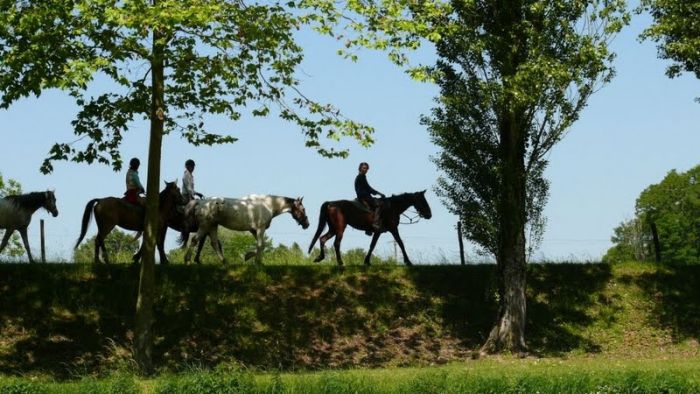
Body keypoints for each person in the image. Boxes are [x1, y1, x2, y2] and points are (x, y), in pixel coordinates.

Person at [354, 162, 385, 234]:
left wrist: (376, 193)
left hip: (363, 195)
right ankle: (375, 223)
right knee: (378, 205)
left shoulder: (361, 176)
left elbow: (368, 188)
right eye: (364, 168)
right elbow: (368, 188)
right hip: (364, 196)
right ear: (360, 168)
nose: (365, 170)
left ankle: (369, 227)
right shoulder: (361, 176)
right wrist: (379, 193)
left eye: (366, 169)